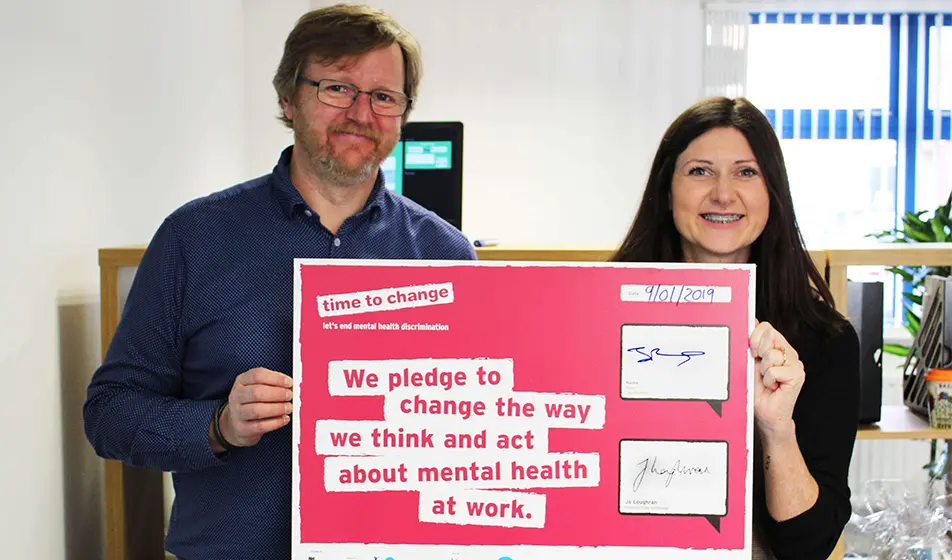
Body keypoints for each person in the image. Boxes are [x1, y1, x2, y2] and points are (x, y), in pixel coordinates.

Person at [83, 4, 475, 559]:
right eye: (337, 88)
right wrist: (218, 425)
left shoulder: (445, 254)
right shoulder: (193, 238)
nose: (362, 113)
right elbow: (109, 414)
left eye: (384, 96)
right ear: (288, 98)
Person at [612, 96, 860, 560]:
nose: (723, 194)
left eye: (746, 172)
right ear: (667, 191)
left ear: (773, 193)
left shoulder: (826, 342)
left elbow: (806, 547)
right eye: (700, 171)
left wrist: (776, 427)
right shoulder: (597, 316)